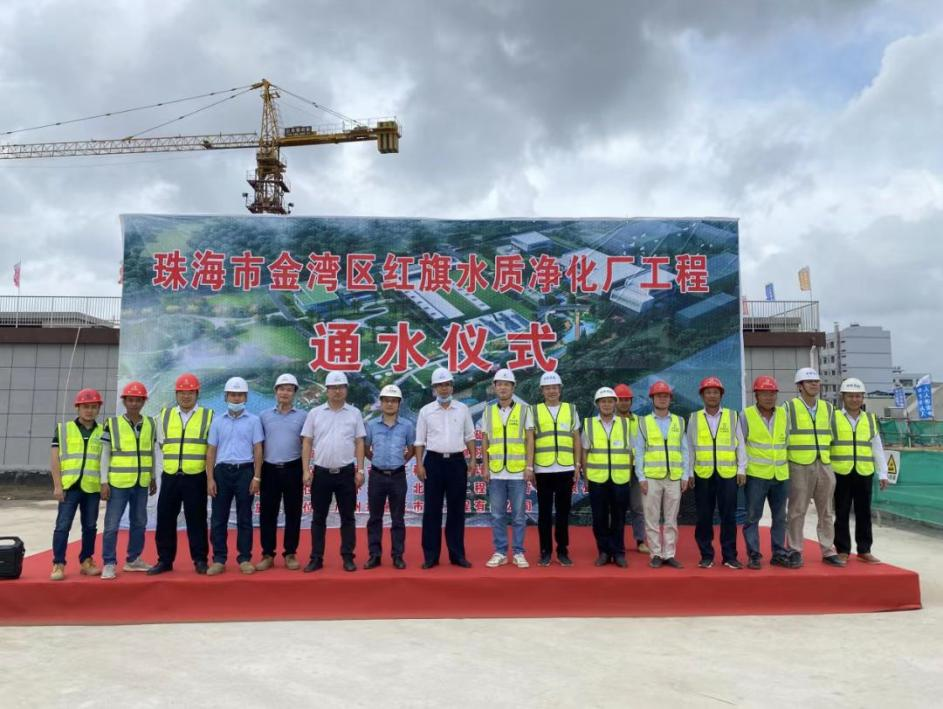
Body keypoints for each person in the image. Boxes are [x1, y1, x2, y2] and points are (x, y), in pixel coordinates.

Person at [148, 373, 214, 576]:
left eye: (190, 392)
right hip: (170, 475)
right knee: (165, 518)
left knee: (197, 519)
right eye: (182, 392)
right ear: (176, 394)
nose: (186, 396)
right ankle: (164, 560)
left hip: (196, 476)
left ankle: (200, 560)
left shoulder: (208, 416)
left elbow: (212, 448)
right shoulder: (164, 415)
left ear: (197, 394)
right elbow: (158, 443)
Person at [301, 371, 366, 573]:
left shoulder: (354, 413)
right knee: (318, 517)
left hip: (346, 473)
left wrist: (361, 470)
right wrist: (305, 470)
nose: (337, 391)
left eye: (341, 387)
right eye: (333, 388)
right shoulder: (315, 413)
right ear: (327, 390)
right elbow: (307, 442)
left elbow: (359, 442)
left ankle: (348, 557)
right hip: (321, 473)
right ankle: (316, 558)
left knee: (348, 517)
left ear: (346, 389)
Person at [414, 367, 476, 569]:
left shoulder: (462, 409)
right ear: (434, 388)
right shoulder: (426, 411)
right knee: (432, 510)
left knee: (457, 510)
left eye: (447, 384)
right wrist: (419, 464)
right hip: (433, 462)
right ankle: (431, 556)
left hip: (457, 462)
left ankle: (457, 555)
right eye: (440, 385)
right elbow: (419, 441)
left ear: (452, 387)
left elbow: (469, 436)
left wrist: (472, 459)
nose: (444, 388)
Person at [205, 376, 264, 576]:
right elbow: (211, 451)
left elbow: (258, 449)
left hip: (245, 472)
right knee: (218, 518)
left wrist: (257, 477)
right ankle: (219, 559)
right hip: (221, 472)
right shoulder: (217, 421)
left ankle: (244, 558)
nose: (236, 398)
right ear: (226, 397)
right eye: (232, 394)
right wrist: (210, 478)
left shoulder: (254, 421)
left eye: (240, 395)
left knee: (244, 517)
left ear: (245, 397)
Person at [786, 367, 844, 568]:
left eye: (817, 381)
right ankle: (794, 550)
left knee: (826, 511)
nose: (814, 384)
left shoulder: (828, 408)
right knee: (797, 510)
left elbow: (834, 436)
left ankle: (828, 551)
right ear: (799, 386)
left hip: (824, 464)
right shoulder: (788, 408)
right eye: (809, 382)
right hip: (799, 465)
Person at [99, 381, 157, 580]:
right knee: (112, 525)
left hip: (141, 483)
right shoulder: (112, 424)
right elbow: (105, 454)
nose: (134, 403)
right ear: (124, 401)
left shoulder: (150, 423)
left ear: (144, 402)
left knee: (139, 522)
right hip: (118, 483)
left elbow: (151, 452)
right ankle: (109, 563)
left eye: (138, 400)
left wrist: (152, 477)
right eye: (130, 400)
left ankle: (133, 559)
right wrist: (104, 481)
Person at [688, 376, 746, 569]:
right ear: (702, 396)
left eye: (715, 392)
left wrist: (741, 468)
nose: (712, 395)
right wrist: (689, 473)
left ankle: (730, 556)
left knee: (728, 516)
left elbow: (740, 444)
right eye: (708, 392)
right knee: (704, 516)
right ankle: (706, 555)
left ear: (721, 395)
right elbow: (689, 447)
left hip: (728, 474)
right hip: (703, 474)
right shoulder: (695, 418)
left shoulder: (732, 415)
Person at [49, 388, 105, 581]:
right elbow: (55, 459)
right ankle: (58, 563)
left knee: (90, 526)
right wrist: (57, 485)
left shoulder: (103, 432)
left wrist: (104, 485)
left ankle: (86, 561)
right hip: (69, 487)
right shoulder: (64, 429)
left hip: (92, 487)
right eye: (85, 407)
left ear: (98, 409)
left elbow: (106, 460)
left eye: (93, 407)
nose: (89, 410)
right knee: (62, 526)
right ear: (77, 408)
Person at [831, 377, 889, 564]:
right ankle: (842, 550)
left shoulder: (870, 419)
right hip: (841, 472)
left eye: (858, 396)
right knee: (841, 512)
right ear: (843, 397)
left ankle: (864, 550)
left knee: (864, 512)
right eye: (850, 396)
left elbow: (877, 447)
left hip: (864, 472)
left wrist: (883, 473)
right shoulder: (833, 418)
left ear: (863, 397)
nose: (854, 399)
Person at [636, 380, 691, 569]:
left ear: (670, 399)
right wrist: (641, 477)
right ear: (652, 398)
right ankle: (656, 554)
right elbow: (639, 451)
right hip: (651, 478)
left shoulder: (679, 421)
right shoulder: (644, 422)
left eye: (665, 396)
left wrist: (685, 475)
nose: (662, 398)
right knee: (651, 518)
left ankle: (669, 554)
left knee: (671, 519)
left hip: (674, 478)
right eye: (658, 395)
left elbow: (685, 450)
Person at [481, 368, 532, 569]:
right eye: (499, 384)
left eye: (507, 384)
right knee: (497, 515)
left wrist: (529, 466)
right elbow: (485, 440)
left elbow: (530, 440)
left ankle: (519, 552)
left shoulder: (524, 410)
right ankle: (500, 552)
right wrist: (485, 467)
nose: (503, 387)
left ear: (513, 387)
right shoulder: (488, 411)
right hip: (495, 472)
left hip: (518, 472)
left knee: (518, 516)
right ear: (494, 387)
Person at [528, 370, 581, 567]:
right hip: (543, 470)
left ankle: (562, 550)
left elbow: (576, 438)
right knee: (543, 513)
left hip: (565, 468)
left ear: (560, 389)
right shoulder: (534, 411)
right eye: (547, 388)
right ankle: (545, 551)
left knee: (562, 512)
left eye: (555, 388)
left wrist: (577, 464)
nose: (551, 391)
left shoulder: (570, 409)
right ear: (542, 390)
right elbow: (530, 440)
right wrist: (530, 466)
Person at [256, 373, 307, 572]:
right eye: (281, 389)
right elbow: (258, 445)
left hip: (293, 468)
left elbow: (306, 444)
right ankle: (268, 554)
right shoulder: (263, 416)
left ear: (294, 393)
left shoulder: (303, 416)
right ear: (275, 391)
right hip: (269, 469)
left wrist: (305, 470)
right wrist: (257, 473)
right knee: (268, 513)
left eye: (289, 389)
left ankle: (290, 553)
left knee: (293, 512)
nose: (285, 393)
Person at [741, 376, 791, 570]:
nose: (769, 397)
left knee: (780, 517)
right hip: (756, 475)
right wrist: (742, 469)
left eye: (772, 393)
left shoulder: (783, 414)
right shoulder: (746, 415)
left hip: (780, 474)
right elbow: (741, 444)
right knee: (752, 517)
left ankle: (779, 553)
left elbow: (786, 441)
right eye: (764, 393)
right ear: (756, 395)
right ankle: (754, 554)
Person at [364, 384, 415, 570]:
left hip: (398, 476)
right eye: (386, 401)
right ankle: (374, 555)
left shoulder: (407, 426)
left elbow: (411, 450)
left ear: (399, 404)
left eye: (394, 401)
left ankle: (397, 556)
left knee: (398, 518)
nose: (390, 404)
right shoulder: (371, 425)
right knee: (374, 518)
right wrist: (377, 461)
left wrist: (400, 462)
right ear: (381, 403)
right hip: (377, 476)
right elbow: (366, 449)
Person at [582, 387, 633, 567]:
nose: (607, 404)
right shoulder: (589, 424)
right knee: (599, 517)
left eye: (610, 401)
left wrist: (629, 474)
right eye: (603, 401)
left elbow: (631, 452)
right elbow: (584, 451)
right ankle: (604, 551)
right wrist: (586, 476)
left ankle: (618, 553)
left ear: (615, 403)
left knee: (619, 517)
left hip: (621, 478)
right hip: (597, 479)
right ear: (597, 404)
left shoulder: (626, 424)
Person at [614, 384, 647, 554]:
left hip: (636, 469)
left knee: (638, 507)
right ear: (615, 401)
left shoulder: (641, 421)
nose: (624, 402)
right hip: (616, 469)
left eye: (627, 399)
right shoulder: (609, 421)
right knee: (616, 507)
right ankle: (615, 541)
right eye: (621, 399)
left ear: (631, 401)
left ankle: (640, 541)